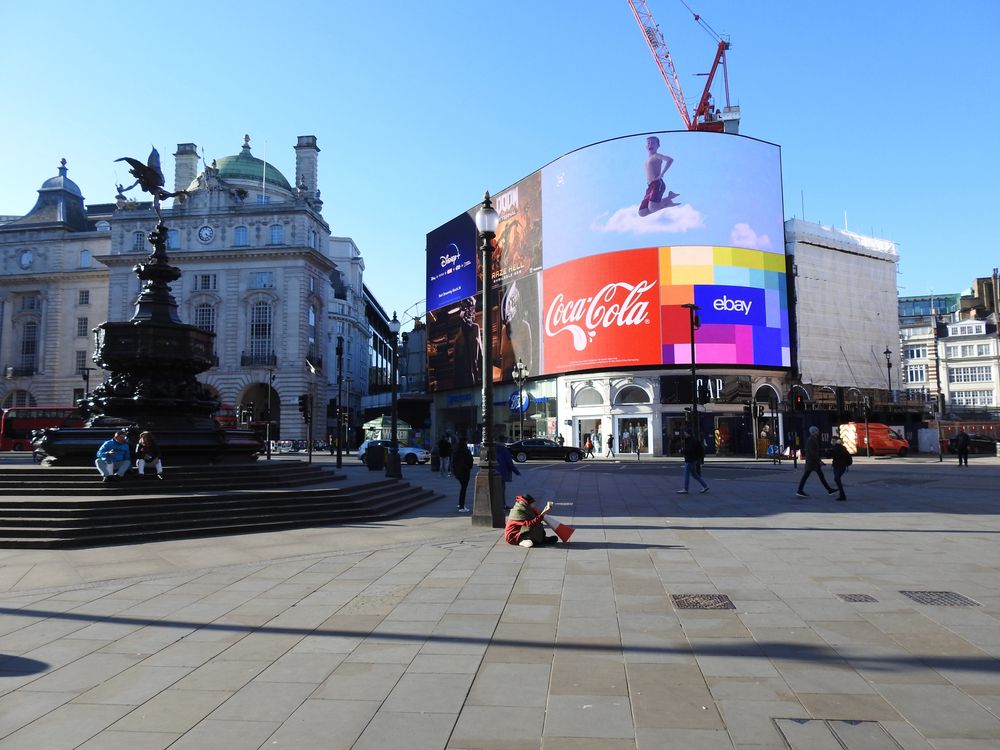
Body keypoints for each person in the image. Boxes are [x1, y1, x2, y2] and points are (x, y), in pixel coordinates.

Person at [637, 136, 680, 217]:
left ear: (658, 146)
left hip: (657, 184)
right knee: (642, 213)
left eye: (653, 143)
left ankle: (667, 202)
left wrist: (662, 173)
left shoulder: (656, 155)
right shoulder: (648, 159)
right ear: (646, 146)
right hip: (650, 186)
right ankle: (669, 197)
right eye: (648, 143)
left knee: (652, 208)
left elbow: (670, 160)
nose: (650, 145)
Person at [796, 426, 837, 498]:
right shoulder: (811, 440)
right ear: (813, 432)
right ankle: (799, 490)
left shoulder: (813, 439)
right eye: (817, 431)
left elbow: (814, 452)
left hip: (813, 462)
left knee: (819, 476)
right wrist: (819, 461)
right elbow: (813, 453)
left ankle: (829, 490)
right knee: (807, 476)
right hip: (812, 462)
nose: (818, 432)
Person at [677, 428, 709, 494]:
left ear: (688, 434)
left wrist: (682, 451)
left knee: (686, 474)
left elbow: (690, 450)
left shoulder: (691, 441)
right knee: (694, 474)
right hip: (693, 459)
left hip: (690, 460)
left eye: (685, 433)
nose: (684, 434)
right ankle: (705, 486)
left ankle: (685, 489)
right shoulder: (692, 440)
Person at [494, 440, 521, 508]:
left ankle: (497, 504)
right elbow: (509, 462)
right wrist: (516, 472)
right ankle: (502, 505)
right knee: (501, 490)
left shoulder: (492, 449)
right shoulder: (504, 450)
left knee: (495, 490)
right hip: (502, 472)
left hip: (493, 472)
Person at [452, 441, 474, 513]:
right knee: (463, 489)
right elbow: (470, 461)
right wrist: (468, 467)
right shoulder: (466, 452)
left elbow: (453, 463)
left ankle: (460, 504)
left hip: (458, 473)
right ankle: (461, 505)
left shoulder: (456, 452)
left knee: (462, 488)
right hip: (465, 472)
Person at [830, 436, 852, 501]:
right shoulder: (840, 448)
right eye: (832, 440)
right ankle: (842, 495)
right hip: (838, 466)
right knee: (837, 480)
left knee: (836, 479)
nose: (832, 442)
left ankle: (842, 495)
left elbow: (832, 455)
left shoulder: (837, 448)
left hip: (840, 466)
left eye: (833, 441)